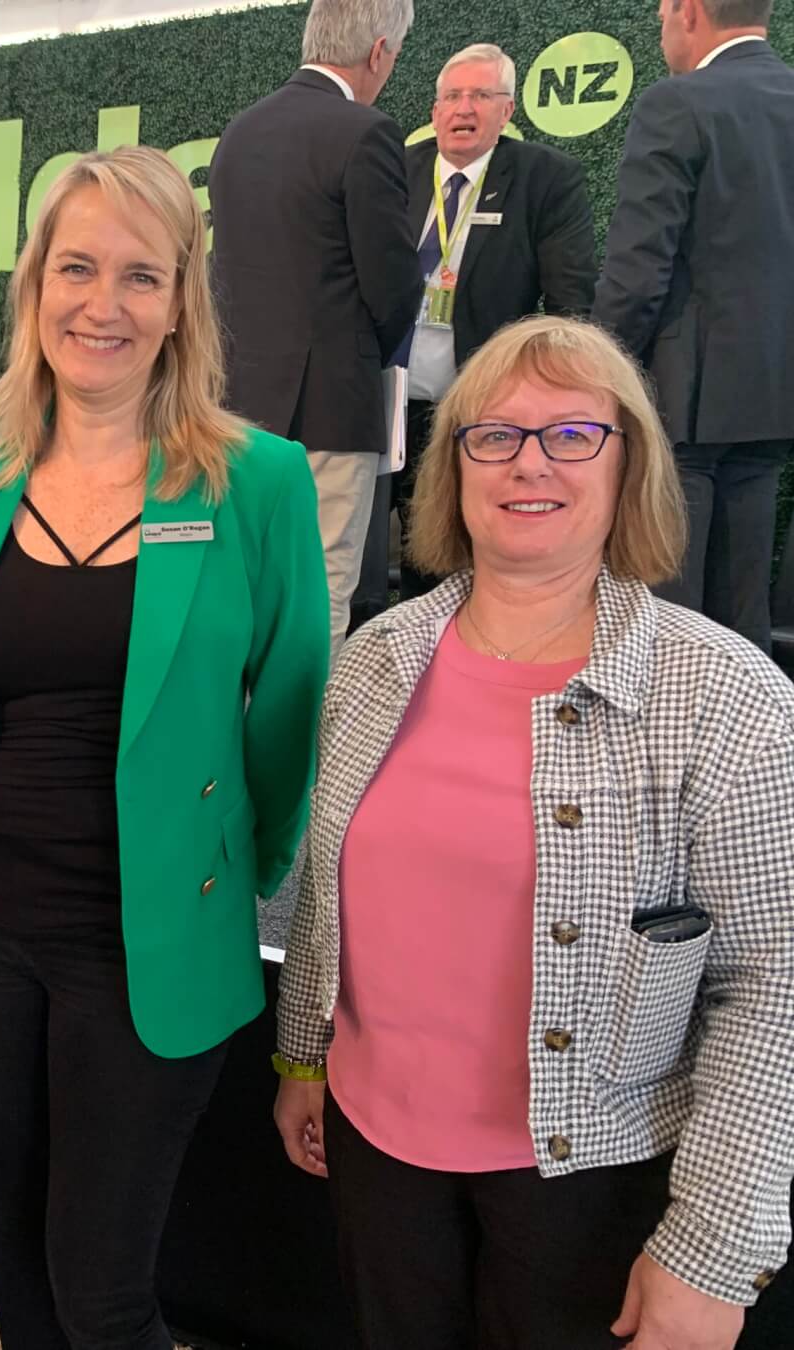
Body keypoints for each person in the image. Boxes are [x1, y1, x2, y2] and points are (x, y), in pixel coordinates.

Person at [274, 315, 794, 1349]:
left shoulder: (726, 697)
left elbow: (772, 989)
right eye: (495, 434)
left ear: (628, 466)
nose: (529, 462)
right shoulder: (377, 659)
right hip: (377, 1152)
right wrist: (300, 1060)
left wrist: (714, 1247)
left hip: (590, 1177)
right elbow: (327, 897)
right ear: (454, 466)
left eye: (572, 434)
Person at [0, 146, 329, 1350]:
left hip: (149, 945)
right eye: (77, 268)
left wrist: (228, 870)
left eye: (142, 275)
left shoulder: (257, 483)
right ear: (35, 286)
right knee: (19, 1252)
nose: (105, 304)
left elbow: (291, 712)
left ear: (183, 301)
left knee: (103, 1287)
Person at [209, 0, 423, 659]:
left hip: (237, 407)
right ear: (379, 52)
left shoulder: (239, 132)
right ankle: (304, 733)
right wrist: (365, 357)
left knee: (242, 590)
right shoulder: (366, 133)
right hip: (332, 407)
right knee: (320, 591)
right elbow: (393, 285)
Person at [594, 0, 794, 654]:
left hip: (682, 402)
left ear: (689, 12)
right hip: (772, 395)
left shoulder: (677, 104)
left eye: (661, 14)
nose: (661, 29)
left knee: (665, 616)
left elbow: (638, 270)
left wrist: (597, 372)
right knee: (744, 609)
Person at [373, 41, 596, 605]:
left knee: (452, 550)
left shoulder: (545, 178)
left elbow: (571, 301)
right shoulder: (397, 170)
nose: (464, 109)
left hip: (479, 400)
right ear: (435, 111)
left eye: (480, 96)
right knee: (367, 546)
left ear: (507, 110)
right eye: (452, 97)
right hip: (386, 395)